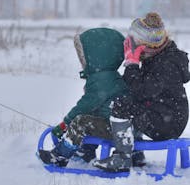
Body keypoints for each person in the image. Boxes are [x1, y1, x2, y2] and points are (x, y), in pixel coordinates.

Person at [94, 12, 190, 172]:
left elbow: (139, 90)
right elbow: (136, 89)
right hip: (165, 115)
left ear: (147, 44)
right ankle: (136, 154)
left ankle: (122, 159)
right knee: (131, 102)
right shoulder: (160, 56)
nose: (132, 45)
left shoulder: (166, 64)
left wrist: (132, 63)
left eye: (135, 42)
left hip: (167, 124)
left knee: (122, 106)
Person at [38, 27, 128, 167]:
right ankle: (86, 151)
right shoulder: (109, 76)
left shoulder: (102, 80)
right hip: (122, 127)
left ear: (97, 57)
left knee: (81, 122)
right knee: (95, 118)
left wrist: (65, 123)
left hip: (115, 128)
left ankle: (60, 155)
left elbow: (84, 106)